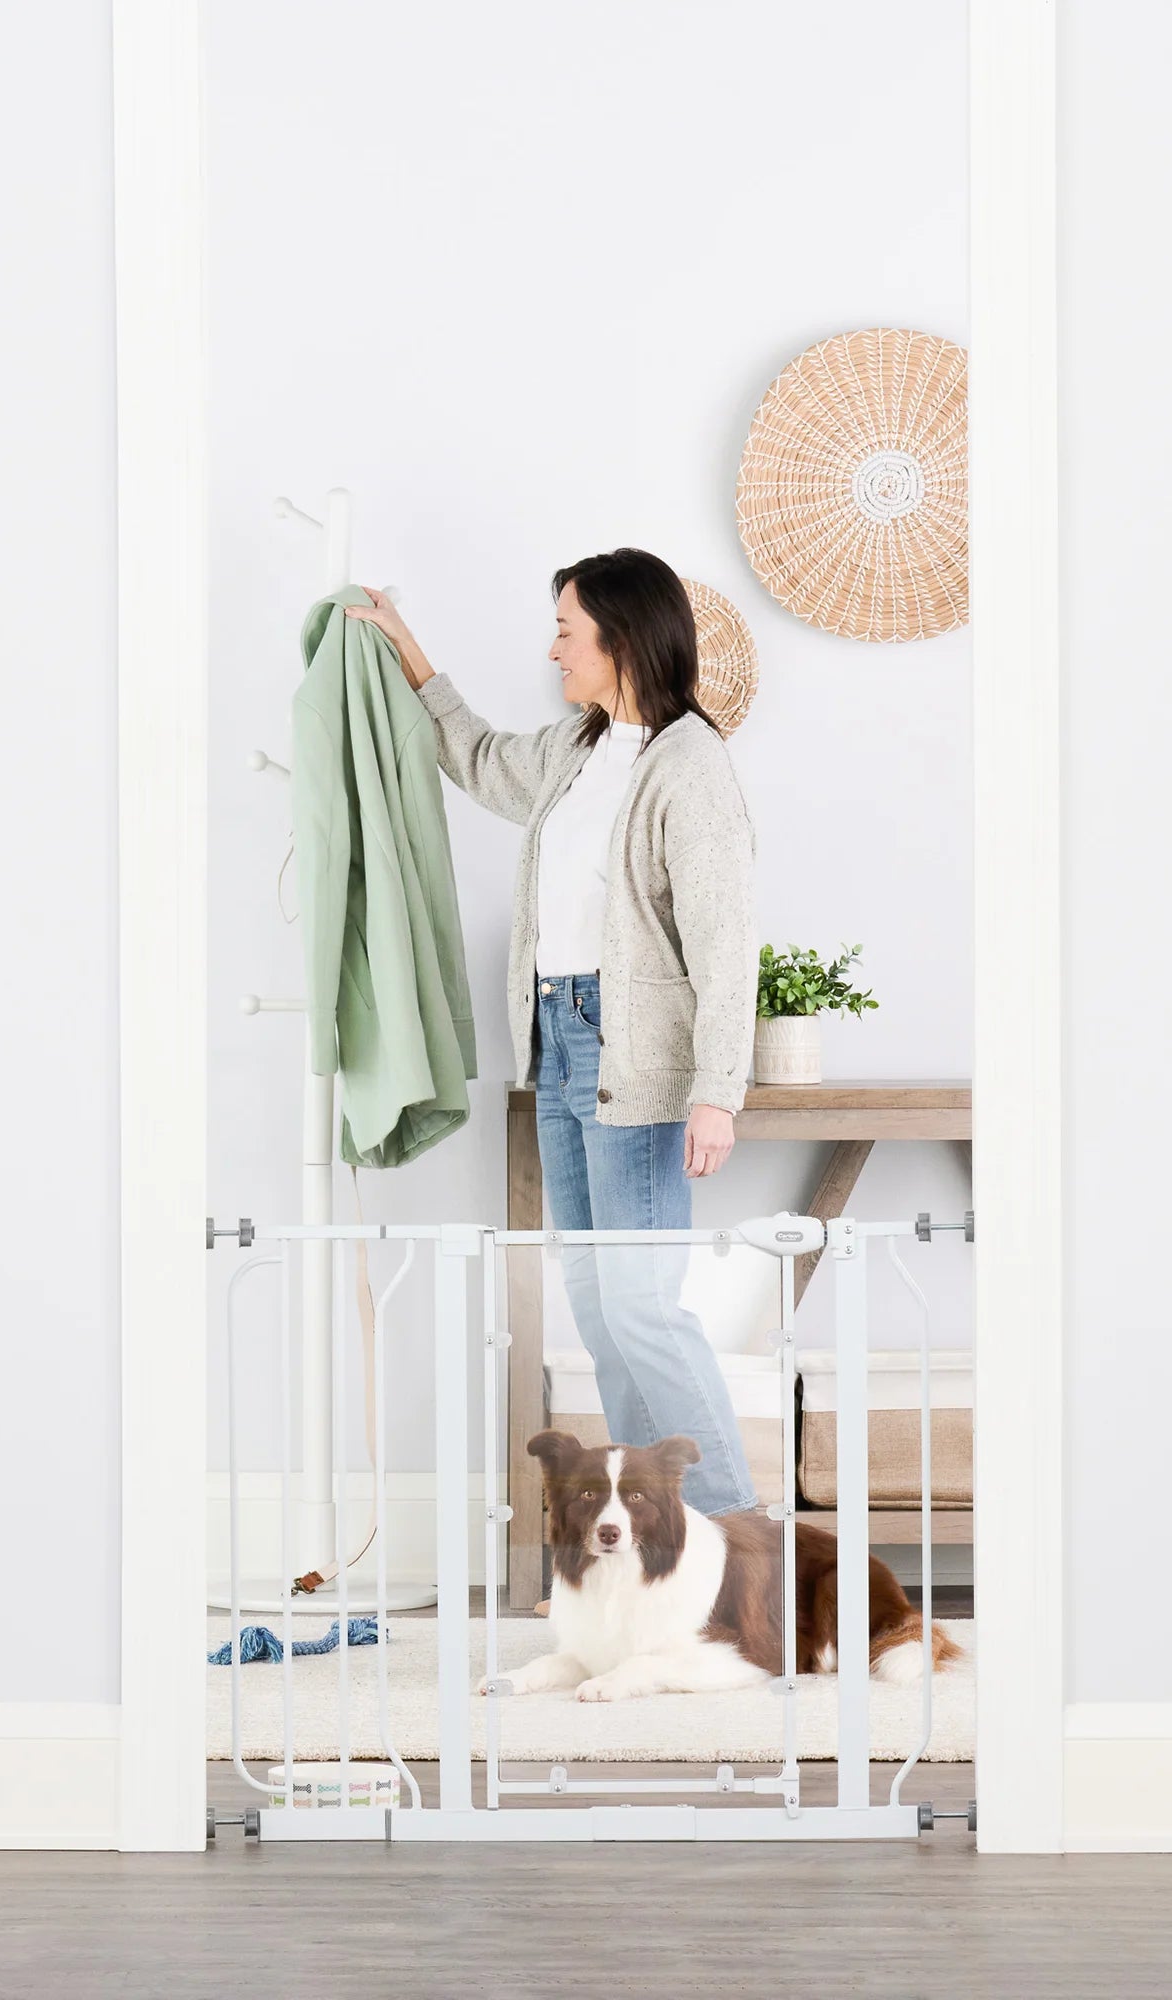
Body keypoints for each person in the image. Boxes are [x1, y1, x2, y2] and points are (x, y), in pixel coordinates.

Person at [345, 549, 761, 1532]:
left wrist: (718, 1086)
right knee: (598, 1305)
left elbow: (724, 934)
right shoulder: (577, 750)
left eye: (566, 630)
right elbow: (479, 756)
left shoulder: (687, 763)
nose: (552, 648)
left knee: (643, 1307)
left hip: (634, 1056)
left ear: (619, 638)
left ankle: (740, 1532)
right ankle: (660, 1534)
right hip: (561, 1041)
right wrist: (407, 649)